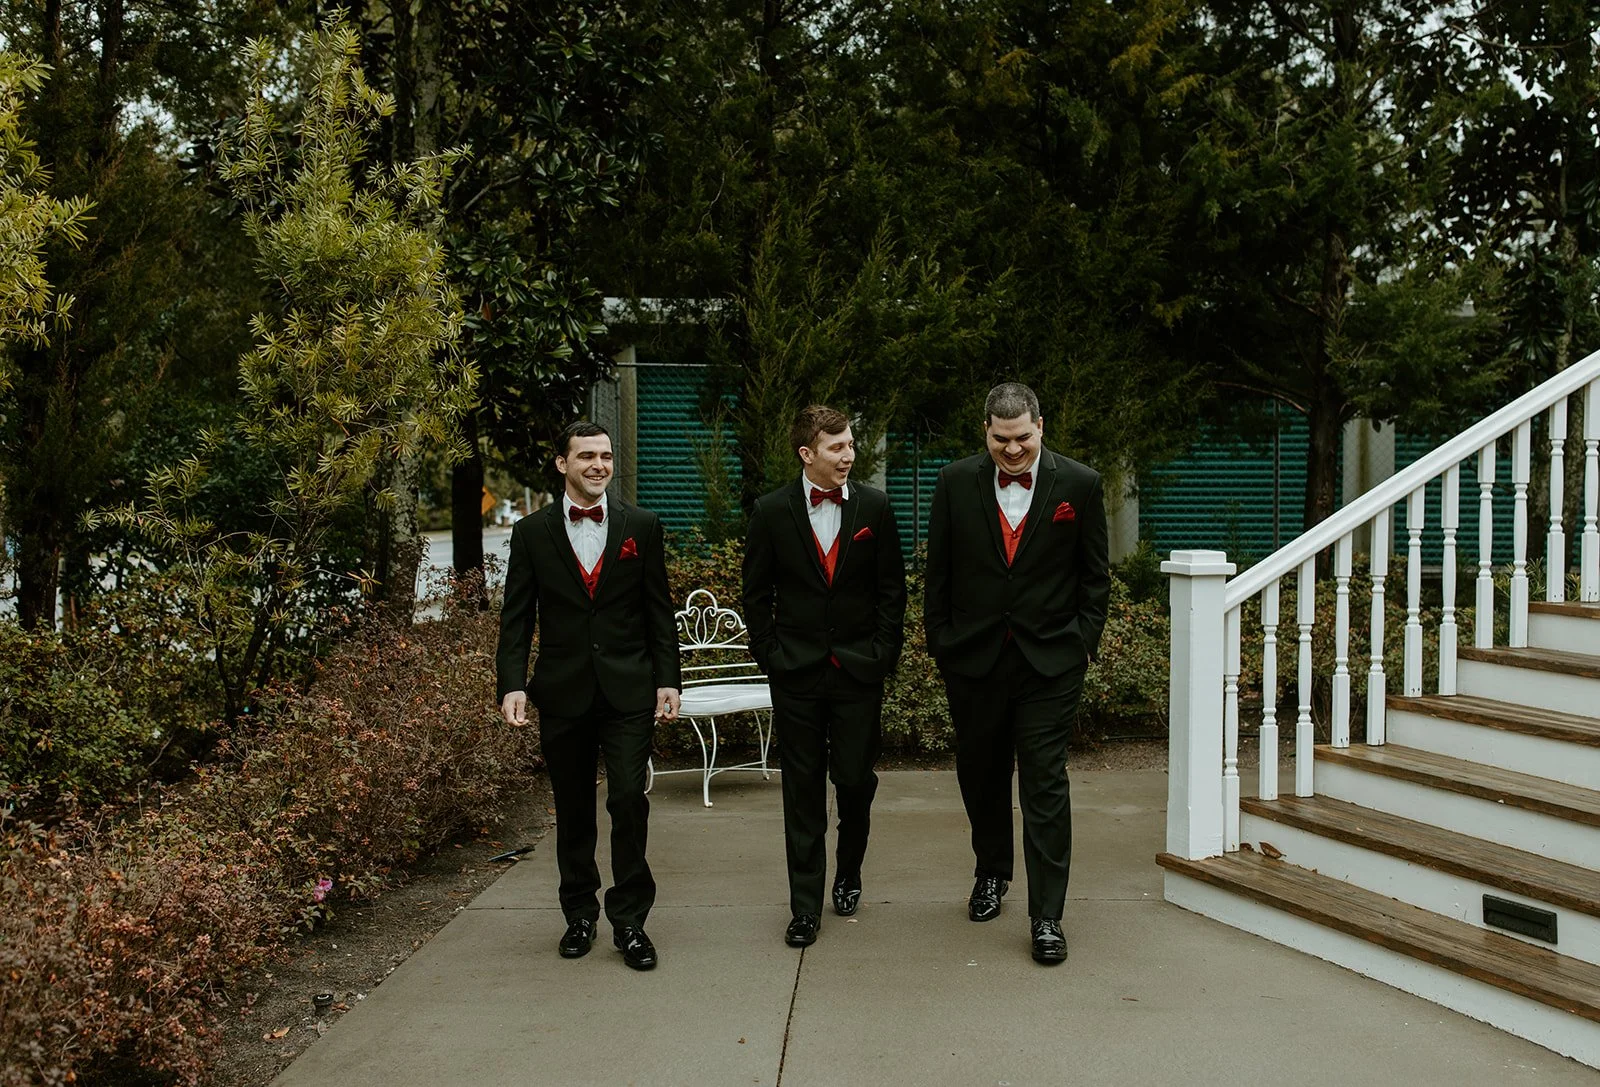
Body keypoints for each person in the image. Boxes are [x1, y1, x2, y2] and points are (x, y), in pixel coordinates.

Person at [923, 382, 1109, 964]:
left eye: (1022, 438)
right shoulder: (954, 482)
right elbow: (937, 573)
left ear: (1040, 427)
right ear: (986, 430)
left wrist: (1081, 645)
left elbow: (1095, 577)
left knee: (1044, 783)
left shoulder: (1080, 484)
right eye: (1001, 439)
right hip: (973, 660)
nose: (1012, 450)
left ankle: (1047, 915)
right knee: (981, 774)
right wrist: (942, 645)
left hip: (1050, 663)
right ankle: (991, 871)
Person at [496, 421, 682, 971]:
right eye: (586, 456)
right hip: (563, 690)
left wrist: (668, 679)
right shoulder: (531, 533)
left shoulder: (641, 525)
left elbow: (658, 610)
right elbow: (516, 617)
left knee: (627, 799)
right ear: (562, 464)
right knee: (573, 808)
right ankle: (579, 914)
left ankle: (630, 922)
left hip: (628, 690)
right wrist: (512, 683)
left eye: (606, 455)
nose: (599, 465)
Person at [742, 404, 907, 948]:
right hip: (796, 674)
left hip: (859, 672)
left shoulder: (875, 507)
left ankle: (849, 871)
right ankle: (805, 906)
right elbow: (756, 594)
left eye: (850, 445)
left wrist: (882, 654)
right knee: (803, 790)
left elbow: (891, 590)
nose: (848, 455)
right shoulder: (771, 511)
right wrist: (771, 655)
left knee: (855, 781)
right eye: (837, 447)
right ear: (806, 453)